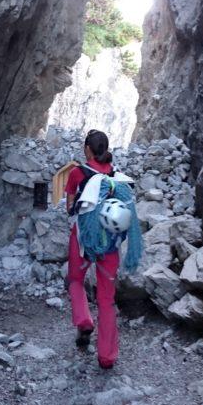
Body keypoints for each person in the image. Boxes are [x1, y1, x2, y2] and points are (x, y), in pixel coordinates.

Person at [65, 129, 120, 369]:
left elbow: (69, 208)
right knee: (106, 298)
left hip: (84, 240)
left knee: (76, 279)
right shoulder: (116, 176)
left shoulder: (77, 173)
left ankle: (84, 320)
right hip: (110, 242)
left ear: (87, 149)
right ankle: (107, 356)